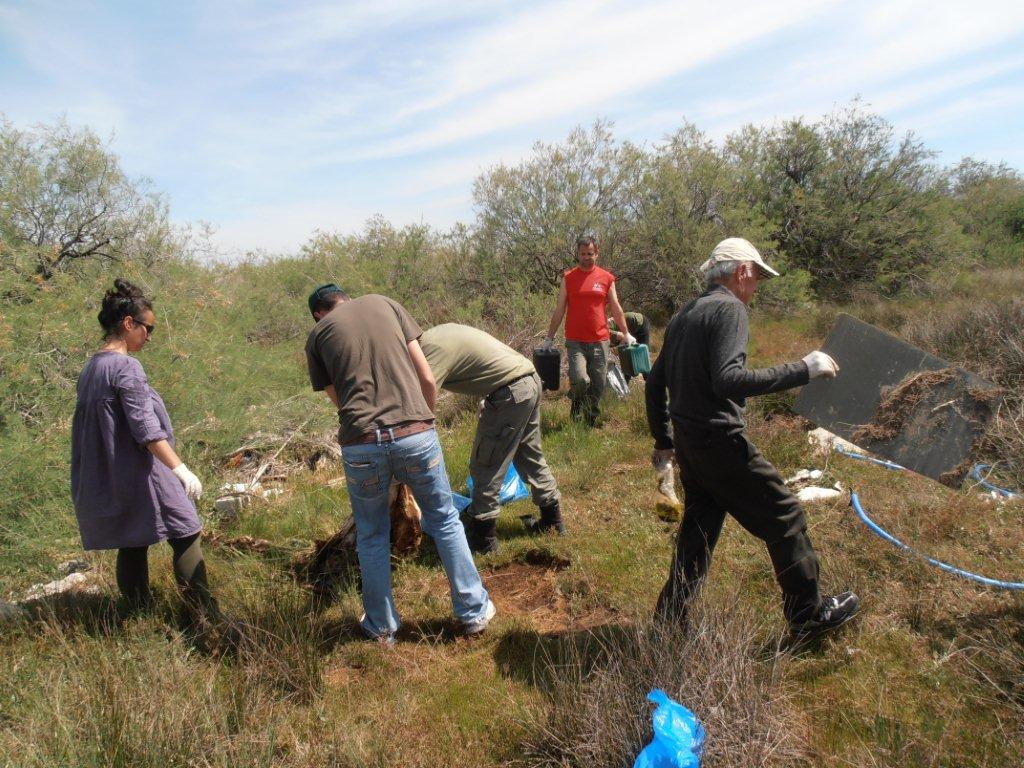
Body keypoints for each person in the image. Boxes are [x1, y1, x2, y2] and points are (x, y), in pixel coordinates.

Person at [645, 238, 860, 637]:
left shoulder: (685, 314)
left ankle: (669, 623)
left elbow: (654, 383)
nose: (757, 285)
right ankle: (808, 616)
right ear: (741, 271)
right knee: (786, 516)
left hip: (692, 447)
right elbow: (729, 380)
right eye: (757, 276)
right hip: (721, 442)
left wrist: (665, 439)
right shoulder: (729, 309)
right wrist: (803, 369)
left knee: (698, 535)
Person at [304, 284, 494, 641]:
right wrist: (424, 423)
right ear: (346, 297)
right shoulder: (386, 304)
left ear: (319, 311)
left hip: (362, 444)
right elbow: (425, 376)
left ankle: (381, 627)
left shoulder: (319, 334)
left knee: (372, 534)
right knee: (444, 519)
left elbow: (340, 401)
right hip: (415, 433)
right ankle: (473, 613)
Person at [71, 279, 219, 622]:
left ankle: (138, 615)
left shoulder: (91, 368)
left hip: (114, 471)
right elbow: (145, 428)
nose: (149, 337)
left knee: (133, 539)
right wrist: (180, 469)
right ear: (128, 324)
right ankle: (204, 615)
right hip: (144, 468)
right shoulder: (125, 366)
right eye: (147, 328)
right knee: (185, 529)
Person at [419, 323, 563, 554]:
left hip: (510, 391)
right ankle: (553, 521)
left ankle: (484, 540)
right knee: (528, 454)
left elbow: (423, 401)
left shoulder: (429, 352)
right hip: (528, 378)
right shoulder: (437, 335)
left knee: (487, 463)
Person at [544, 235, 635, 426]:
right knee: (580, 379)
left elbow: (617, 308)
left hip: (600, 339)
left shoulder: (606, 278)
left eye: (590, 254)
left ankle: (590, 420)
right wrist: (549, 338)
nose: (586, 257)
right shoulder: (568, 278)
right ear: (578, 254)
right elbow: (560, 309)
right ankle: (576, 407)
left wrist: (625, 334)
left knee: (598, 384)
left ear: (597, 254)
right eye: (583, 254)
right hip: (575, 340)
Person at [608, 311, 651, 380]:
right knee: (627, 360)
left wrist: (617, 349)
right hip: (628, 329)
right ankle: (626, 385)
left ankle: (650, 383)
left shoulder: (607, 332)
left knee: (643, 356)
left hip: (640, 324)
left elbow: (622, 336)